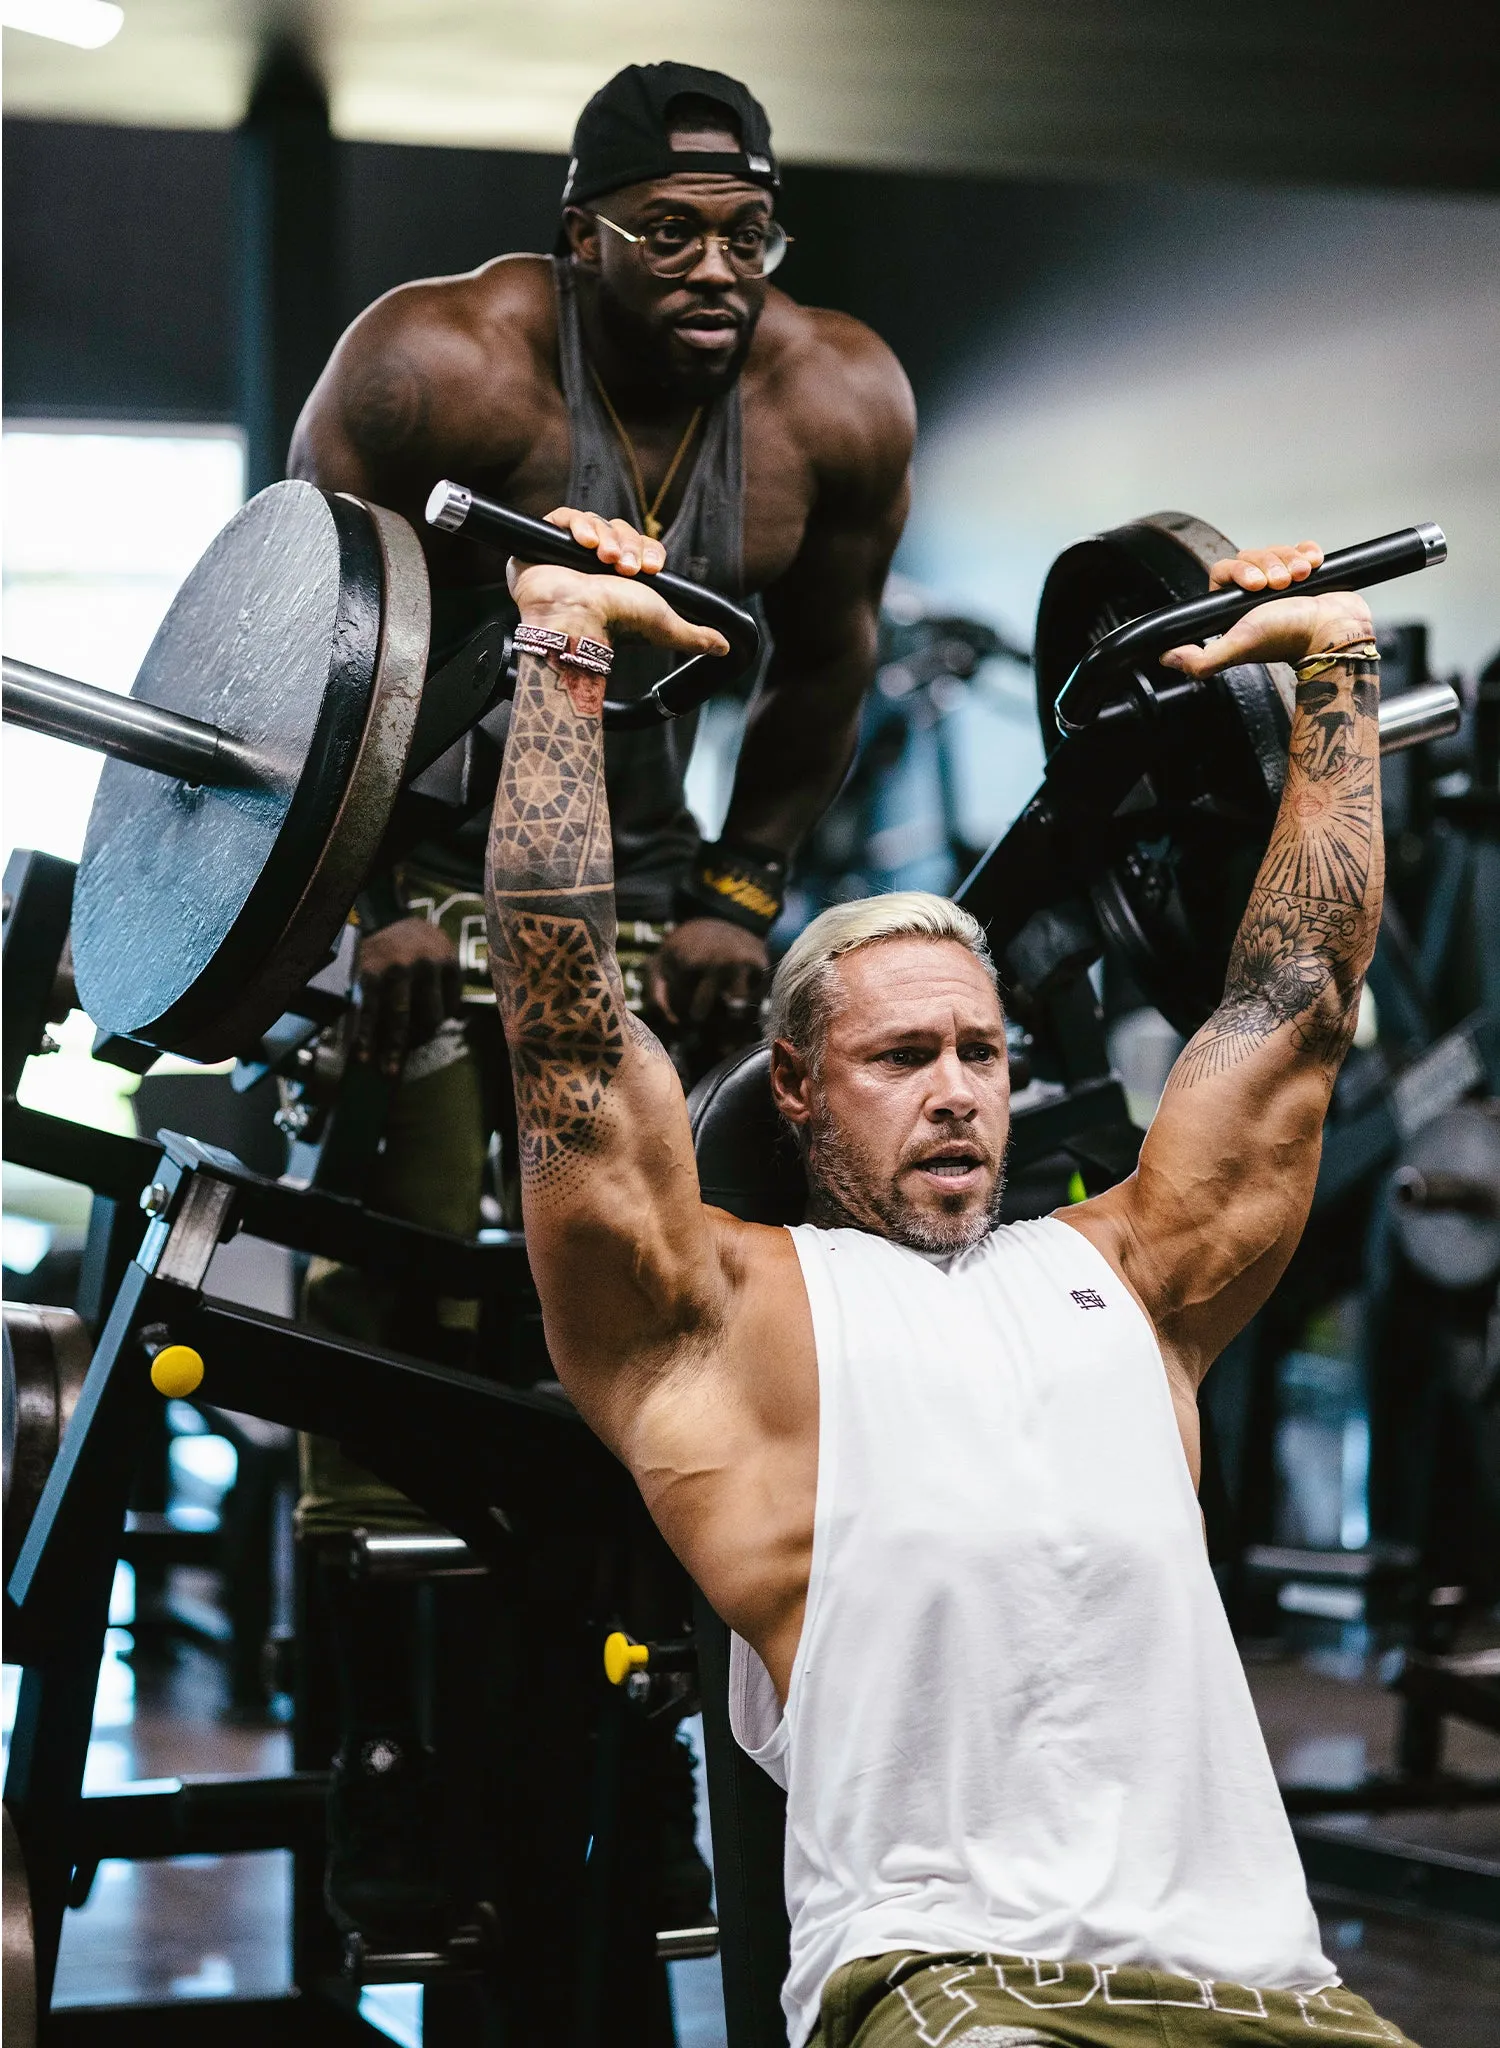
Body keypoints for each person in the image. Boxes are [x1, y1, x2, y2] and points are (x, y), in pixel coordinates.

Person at [484, 505, 1412, 2048]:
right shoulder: (725, 1324)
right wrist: (564, 653)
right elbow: (566, 1037)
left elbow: (1300, 997)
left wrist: (1335, 680)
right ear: (794, 1088)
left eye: (982, 1051)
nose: (961, 1088)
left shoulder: (1134, 1273)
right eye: (903, 1054)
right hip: (953, 1986)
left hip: (1263, 1984)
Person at [287, 61, 912, 1944]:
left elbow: (828, 669)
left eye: (748, 230)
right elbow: (290, 628)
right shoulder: (436, 364)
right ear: (583, 236)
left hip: (640, 862)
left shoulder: (835, 398)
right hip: (408, 826)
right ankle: (379, 1772)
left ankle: (649, 1767)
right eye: (668, 231)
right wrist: (365, 903)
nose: (717, 265)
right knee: (398, 1250)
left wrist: (739, 891)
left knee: (678, 1276)